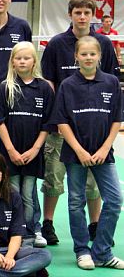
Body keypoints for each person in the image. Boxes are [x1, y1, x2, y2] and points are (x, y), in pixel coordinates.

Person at [39, 0, 119, 246]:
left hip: (94, 128)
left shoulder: (104, 43)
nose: (82, 17)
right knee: (54, 176)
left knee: (93, 182)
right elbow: (49, 82)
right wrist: (59, 119)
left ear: (93, 15)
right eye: (78, 12)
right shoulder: (56, 44)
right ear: (70, 14)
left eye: (87, 13)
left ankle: (94, 224)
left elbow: (110, 81)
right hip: (61, 127)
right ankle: (48, 223)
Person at [51, 36, 124, 270]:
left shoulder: (112, 82)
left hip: (104, 155)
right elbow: (62, 122)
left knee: (114, 200)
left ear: (100, 56)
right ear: (76, 57)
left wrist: (104, 148)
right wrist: (80, 150)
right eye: (84, 54)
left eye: (93, 54)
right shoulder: (68, 85)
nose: (88, 58)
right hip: (75, 156)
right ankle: (82, 250)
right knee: (75, 202)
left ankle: (102, 251)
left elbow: (117, 119)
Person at [0, 42, 54, 249]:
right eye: (18, 58)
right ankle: (14, 231)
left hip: (33, 152)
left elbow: (47, 122)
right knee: (12, 192)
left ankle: (31, 230)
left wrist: (35, 149)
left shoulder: (44, 87)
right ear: (12, 61)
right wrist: (10, 150)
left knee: (28, 192)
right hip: (11, 152)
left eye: (27, 58)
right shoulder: (5, 87)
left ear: (34, 61)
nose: (22, 61)